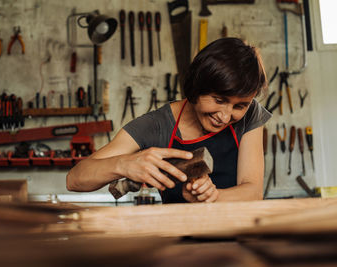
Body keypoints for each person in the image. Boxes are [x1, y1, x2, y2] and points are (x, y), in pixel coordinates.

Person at [66, 37, 271, 203]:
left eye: (239, 106)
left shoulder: (251, 115)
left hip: (237, 239)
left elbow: (253, 191)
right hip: (179, 242)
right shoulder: (156, 125)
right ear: (197, 87)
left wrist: (213, 197)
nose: (225, 117)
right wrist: (124, 164)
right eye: (218, 100)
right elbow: (75, 179)